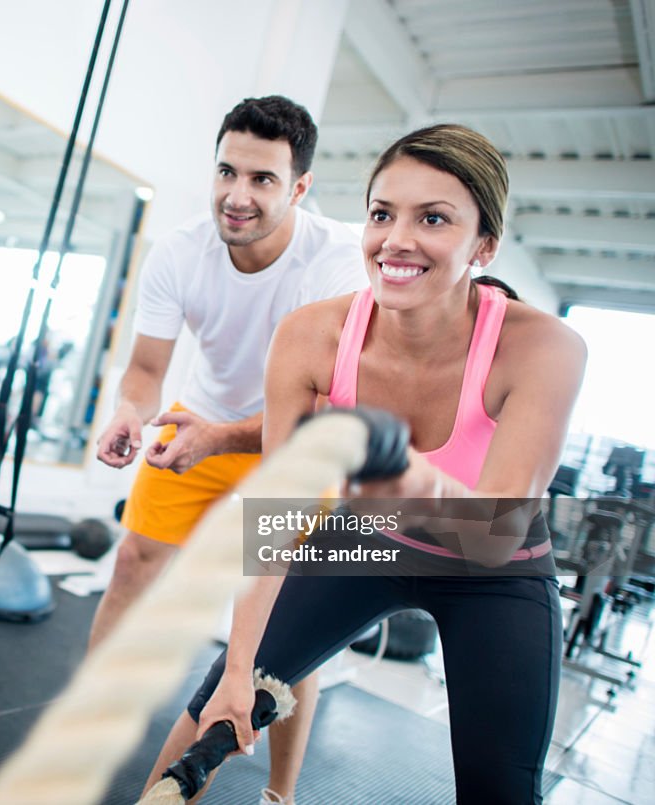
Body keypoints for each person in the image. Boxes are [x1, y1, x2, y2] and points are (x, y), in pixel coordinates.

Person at [145, 123, 587, 804]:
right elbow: (278, 518)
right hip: (364, 540)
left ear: (484, 245)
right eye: (383, 214)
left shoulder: (544, 347)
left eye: (433, 218)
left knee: (499, 787)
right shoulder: (312, 335)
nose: (397, 239)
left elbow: (491, 532)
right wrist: (238, 670)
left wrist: (394, 468)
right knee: (208, 708)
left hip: (493, 570)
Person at [92, 95, 366, 802]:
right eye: (226, 172)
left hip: (296, 437)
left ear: (299, 187)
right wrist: (131, 409)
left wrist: (219, 438)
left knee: (289, 626)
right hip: (202, 417)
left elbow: (320, 403)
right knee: (132, 562)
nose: (236, 196)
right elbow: (149, 369)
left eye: (262, 179)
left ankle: (281, 790)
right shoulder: (180, 250)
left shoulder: (336, 264)